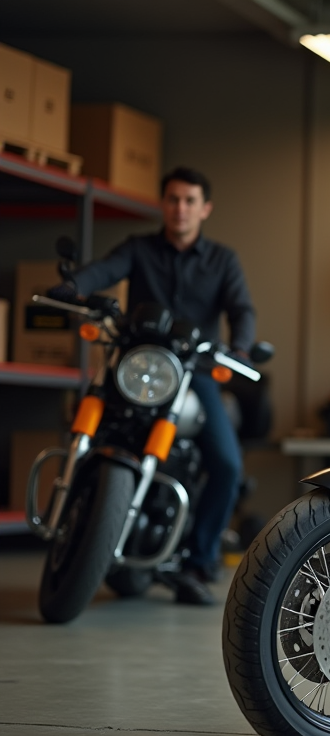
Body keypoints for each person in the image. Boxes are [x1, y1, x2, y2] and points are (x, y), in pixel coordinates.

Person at [48, 167, 257, 606]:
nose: (180, 208)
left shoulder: (222, 260)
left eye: (189, 201)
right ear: (163, 204)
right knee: (83, 423)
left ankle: (198, 563)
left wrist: (240, 347)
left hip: (193, 372)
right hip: (135, 363)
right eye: (173, 199)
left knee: (226, 464)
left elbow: (241, 309)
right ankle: (70, 512)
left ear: (205, 208)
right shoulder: (139, 248)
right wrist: (73, 286)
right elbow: (105, 269)